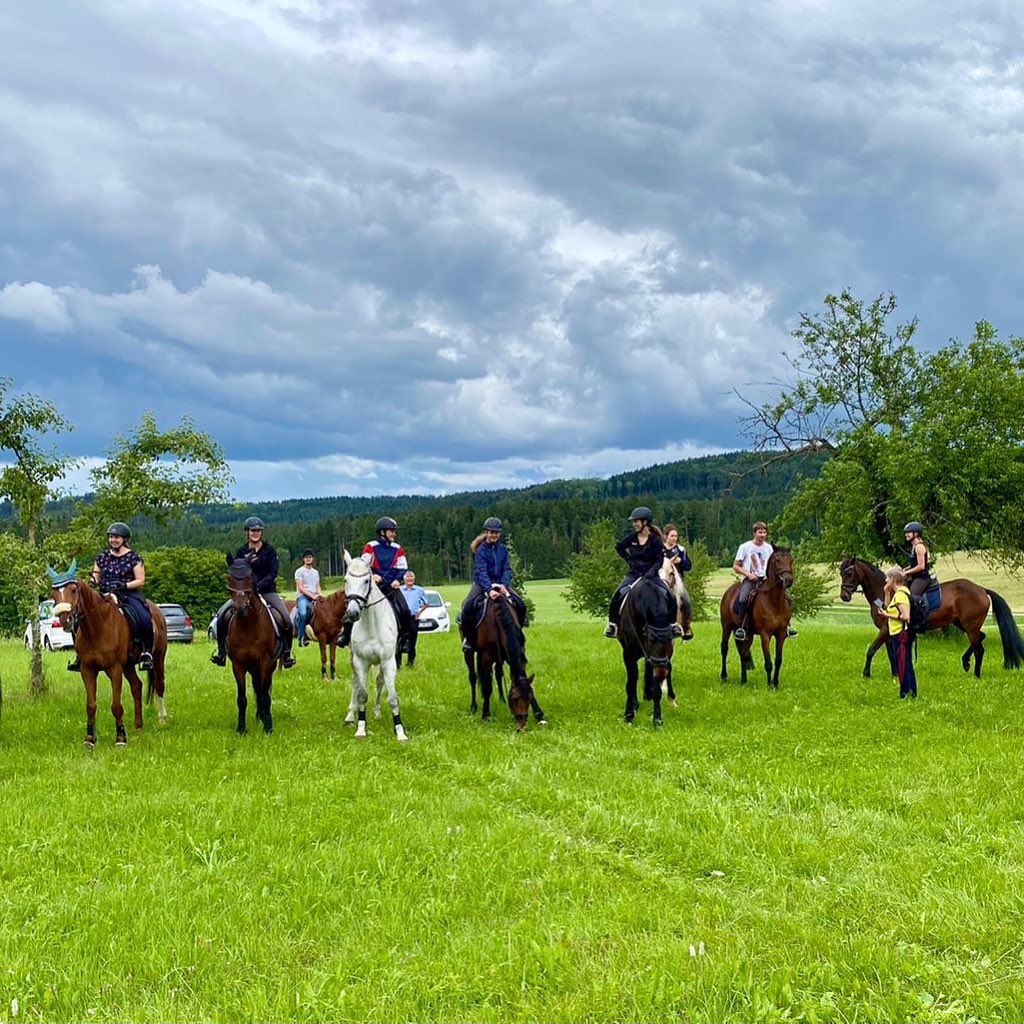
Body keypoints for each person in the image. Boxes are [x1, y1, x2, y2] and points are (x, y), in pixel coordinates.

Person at [210, 516, 296, 668]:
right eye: (252, 530)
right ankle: (221, 652)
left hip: (267, 591)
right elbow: (237, 572)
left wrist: (259, 586)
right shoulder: (241, 551)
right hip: (243, 593)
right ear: (247, 532)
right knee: (222, 615)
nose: (255, 533)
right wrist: (243, 589)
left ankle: (287, 653)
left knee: (286, 620)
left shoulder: (269, 551)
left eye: (258, 530)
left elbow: (272, 572)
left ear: (261, 533)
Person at [68, 522, 154, 671]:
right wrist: (92, 584)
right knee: (79, 619)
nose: (113, 540)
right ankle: (80, 656)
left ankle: (146, 652)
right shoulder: (102, 557)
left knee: (144, 617)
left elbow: (140, 580)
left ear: (124, 539)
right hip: (105, 594)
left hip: (128, 594)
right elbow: (96, 576)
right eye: (111, 537)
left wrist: (124, 585)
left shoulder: (134, 557)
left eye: (117, 537)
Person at [604, 507, 678, 639]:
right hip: (633, 574)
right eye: (633, 522)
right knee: (617, 595)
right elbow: (619, 547)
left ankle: (672, 625)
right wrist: (629, 561)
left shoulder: (655, 540)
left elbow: (659, 560)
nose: (633, 524)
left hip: (652, 575)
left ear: (645, 522)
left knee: (670, 596)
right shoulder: (632, 538)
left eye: (635, 521)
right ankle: (613, 625)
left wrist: (651, 572)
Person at [339, 516, 412, 648]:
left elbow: (402, 567)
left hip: (391, 586)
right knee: (353, 605)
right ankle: (346, 634)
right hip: (374, 586)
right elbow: (364, 565)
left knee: (405, 610)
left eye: (394, 531)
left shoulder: (398, 548)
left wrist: (397, 580)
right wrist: (374, 576)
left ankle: (404, 639)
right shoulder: (371, 546)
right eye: (392, 531)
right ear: (382, 532)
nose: (394, 534)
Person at [460, 517, 527, 652]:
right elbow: (481, 571)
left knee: (521, 605)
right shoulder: (480, 550)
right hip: (482, 583)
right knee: (467, 607)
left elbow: (507, 568)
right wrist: (489, 589)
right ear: (486, 532)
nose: (494, 535)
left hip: (501, 583)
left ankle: (517, 633)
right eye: (491, 532)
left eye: (496, 532)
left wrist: (504, 584)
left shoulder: (502, 549)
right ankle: (469, 639)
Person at [732, 521, 798, 642]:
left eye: (764, 532)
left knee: (787, 599)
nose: (762, 535)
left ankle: (787, 626)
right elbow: (736, 566)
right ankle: (741, 628)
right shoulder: (745, 547)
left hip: (767, 580)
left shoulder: (769, 548)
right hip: (750, 579)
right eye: (760, 532)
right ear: (754, 533)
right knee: (743, 599)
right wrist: (748, 574)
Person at [879, 566, 916, 698]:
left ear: (893, 579)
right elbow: (888, 608)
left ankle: (906, 692)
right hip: (898, 633)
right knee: (905, 662)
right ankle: (910, 691)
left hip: (901, 634)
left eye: (888, 578)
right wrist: (887, 593)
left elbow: (906, 616)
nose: (886, 580)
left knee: (903, 663)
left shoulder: (900, 595)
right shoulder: (901, 592)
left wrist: (887, 616)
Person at [663, 523, 694, 640]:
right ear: (665, 536)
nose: (674, 538)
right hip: (662, 582)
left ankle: (686, 627)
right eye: (672, 536)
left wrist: (681, 561)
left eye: (676, 536)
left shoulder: (681, 550)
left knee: (686, 601)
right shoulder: (659, 549)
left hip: (676, 584)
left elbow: (688, 566)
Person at [396, 570, 428, 667]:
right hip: (401, 618)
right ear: (404, 579)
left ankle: (410, 662)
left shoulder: (419, 590)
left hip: (413, 618)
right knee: (399, 639)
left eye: (411, 577)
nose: (410, 579)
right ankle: (398, 663)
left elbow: (426, 603)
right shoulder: (399, 590)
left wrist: (419, 612)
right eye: (408, 577)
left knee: (412, 640)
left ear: (414, 579)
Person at [294, 548, 323, 648]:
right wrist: (313, 596)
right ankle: (301, 636)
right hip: (303, 597)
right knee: (303, 613)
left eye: (310, 557)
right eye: (306, 557)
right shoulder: (299, 571)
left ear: (313, 559)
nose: (308, 559)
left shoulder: (316, 572)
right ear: (303, 559)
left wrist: (320, 594)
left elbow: (318, 585)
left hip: (314, 596)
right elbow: (300, 587)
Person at [903, 521, 937, 598]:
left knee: (912, 597)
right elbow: (914, 564)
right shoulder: (914, 546)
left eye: (908, 533)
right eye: (906, 533)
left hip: (922, 578)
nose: (906, 535)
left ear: (916, 534)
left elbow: (921, 566)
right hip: (915, 577)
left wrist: (907, 572)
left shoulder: (919, 547)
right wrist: (905, 569)